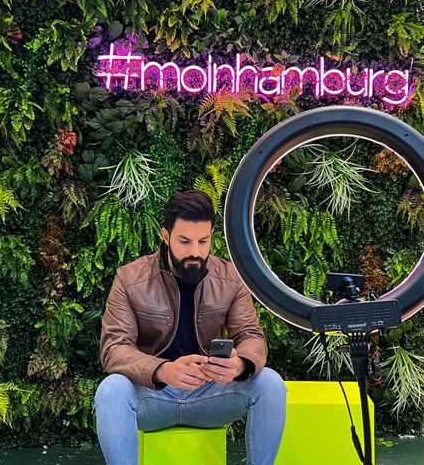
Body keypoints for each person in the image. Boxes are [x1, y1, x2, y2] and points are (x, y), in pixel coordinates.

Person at [95, 190, 286, 465]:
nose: (195, 251)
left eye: (203, 241)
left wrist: (239, 364)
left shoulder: (231, 277)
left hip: (209, 395)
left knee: (270, 383)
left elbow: (251, 336)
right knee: (111, 389)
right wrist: (163, 370)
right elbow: (114, 348)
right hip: (153, 397)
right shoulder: (129, 278)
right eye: (184, 241)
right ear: (166, 236)